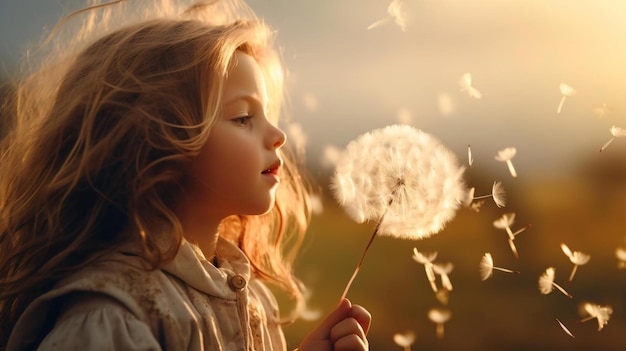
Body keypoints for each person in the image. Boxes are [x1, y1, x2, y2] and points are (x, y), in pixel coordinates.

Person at [0, 0, 371, 350]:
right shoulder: (110, 320)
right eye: (243, 117)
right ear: (157, 142)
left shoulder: (254, 303)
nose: (278, 135)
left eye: (268, 114)